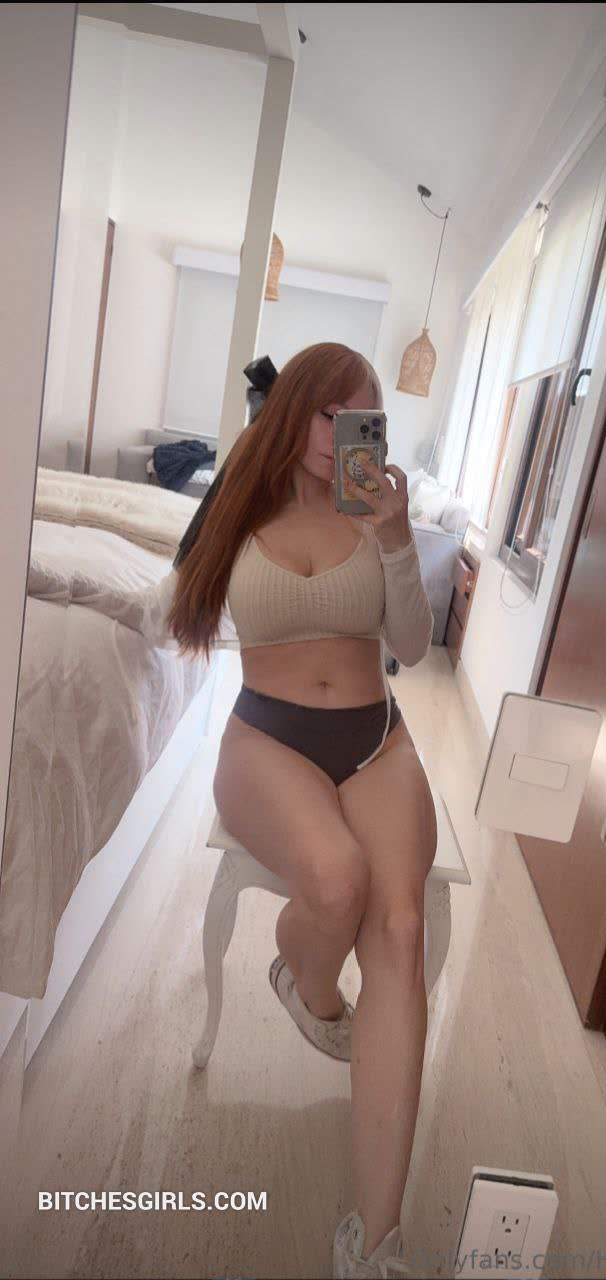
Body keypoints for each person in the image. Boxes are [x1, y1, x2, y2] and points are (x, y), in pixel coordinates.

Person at [160, 342, 437, 1279]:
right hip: (267, 738)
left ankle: (378, 1245)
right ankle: (305, 982)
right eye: (328, 414)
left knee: (401, 930)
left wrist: (396, 537)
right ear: (293, 411)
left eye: (363, 420)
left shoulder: (375, 511)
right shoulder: (242, 494)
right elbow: (179, 603)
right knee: (336, 879)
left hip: (375, 737)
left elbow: (412, 647)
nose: (341, 436)